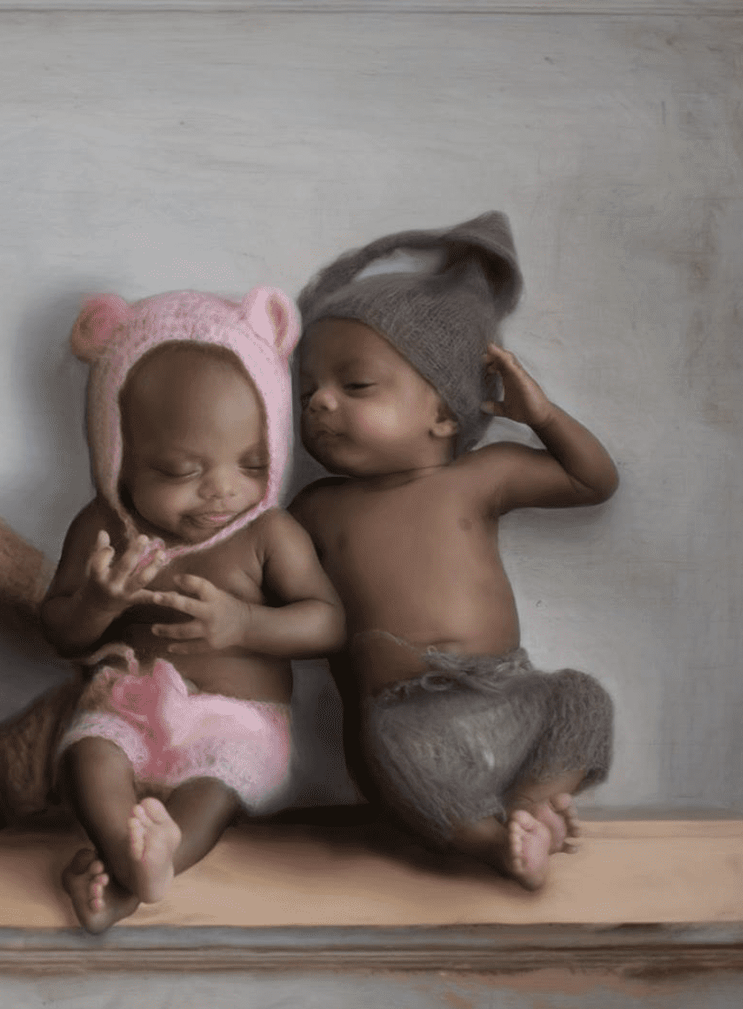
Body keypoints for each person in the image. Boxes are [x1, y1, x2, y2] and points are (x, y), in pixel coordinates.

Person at [288, 212, 617, 890]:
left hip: (512, 691)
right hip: (408, 716)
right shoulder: (317, 510)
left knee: (581, 698)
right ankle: (492, 845)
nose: (319, 403)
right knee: (395, 750)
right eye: (307, 391)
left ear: (444, 413)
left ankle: (534, 804)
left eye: (355, 385)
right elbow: (289, 604)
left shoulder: (481, 477)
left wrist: (541, 415)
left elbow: (593, 481)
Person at [41, 286, 347, 933]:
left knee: (213, 792)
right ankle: (126, 853)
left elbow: (328, 623)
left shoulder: (267, 534)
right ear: (118, 456)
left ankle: (147, 867)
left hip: (235, 724)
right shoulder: (104, 528)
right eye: (183, 470)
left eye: (252, 464)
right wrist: (97, 603)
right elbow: (59, 632)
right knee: (88, 754)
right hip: (127, 707)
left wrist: (245, 624)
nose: (223, 489)